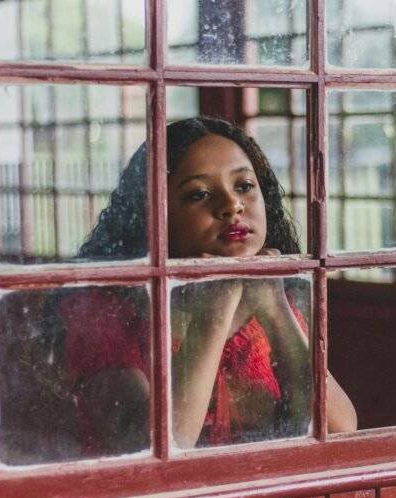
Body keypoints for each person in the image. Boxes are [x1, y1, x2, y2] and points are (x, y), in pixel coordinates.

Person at [64, 116, 356, 453]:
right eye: (199, 194)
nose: (231, 204)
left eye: (244, 186)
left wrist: (275, 307)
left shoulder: (271, 295)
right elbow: (148, 449)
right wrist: (216, 312)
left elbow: (340, 430)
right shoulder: (108, 314)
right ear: (155, 216)